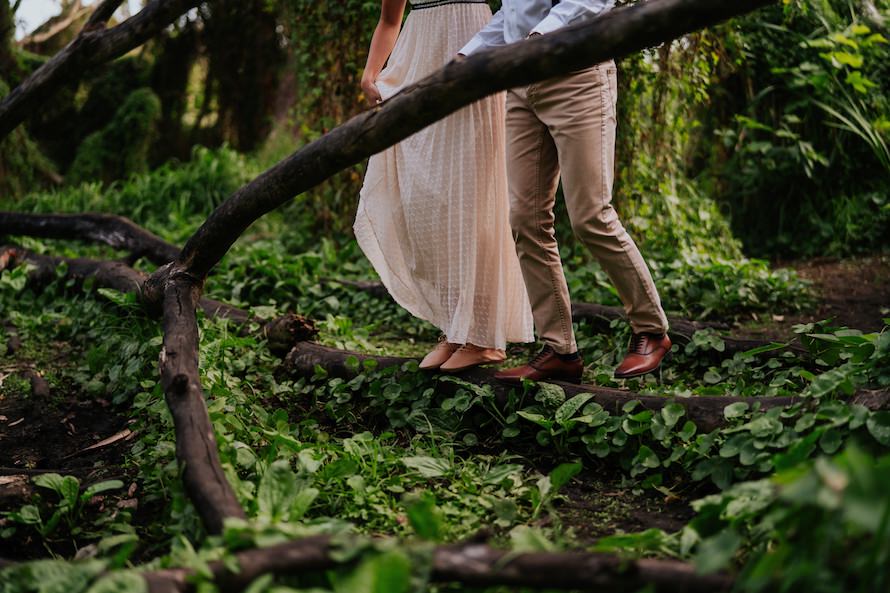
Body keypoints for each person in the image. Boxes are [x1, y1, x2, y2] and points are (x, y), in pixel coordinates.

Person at [458, 0, 672, 384]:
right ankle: (560, 350)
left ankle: (651, 330)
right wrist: (467, 54)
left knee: (592, 216)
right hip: (522, 87)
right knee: (525, 219)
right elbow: (514, 14)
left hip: (578, 75)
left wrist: (542, 35)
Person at [355, 0, 534, 372]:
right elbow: (390, 18)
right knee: (423, 199)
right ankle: (455, 329)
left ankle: (483, 337)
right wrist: (371, 72)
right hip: (417, 54)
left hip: (471, 45)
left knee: (471, 192)